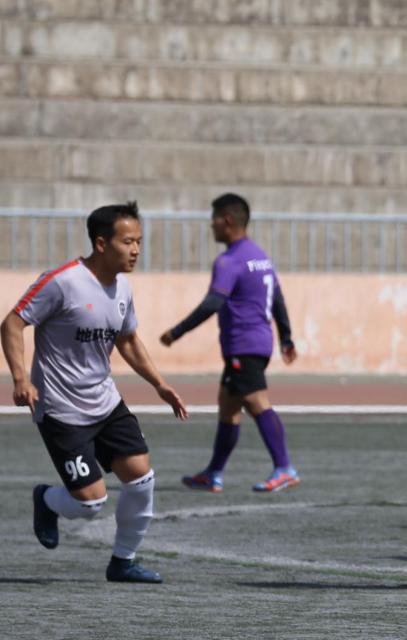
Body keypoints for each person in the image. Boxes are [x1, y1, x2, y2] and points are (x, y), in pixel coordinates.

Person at [1, 201, 188, 583]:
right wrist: (21, 378)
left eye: (139, 242)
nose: (136, 250)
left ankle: (123, 562)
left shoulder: (123, 288)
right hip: (61, 409)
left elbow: (128, 340)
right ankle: (46, 498)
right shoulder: (62, 282)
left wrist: (159, 383)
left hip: (106, 403)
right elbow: (12, 324)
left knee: (141, 479)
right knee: (91, 503)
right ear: (101, 244)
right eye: (128, 242)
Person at [160, 193, 299, 493]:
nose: (211, 225)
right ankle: (213, 473)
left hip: (242, 343)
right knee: (228, 405)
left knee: (256, 401)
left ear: (227, 220)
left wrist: (177, 331)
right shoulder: (259, 256)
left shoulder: (230, 260)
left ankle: (284, 467)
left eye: (214, 219)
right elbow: (277, 298)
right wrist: (286, 337)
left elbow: (213, 302)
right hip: (258, 340)